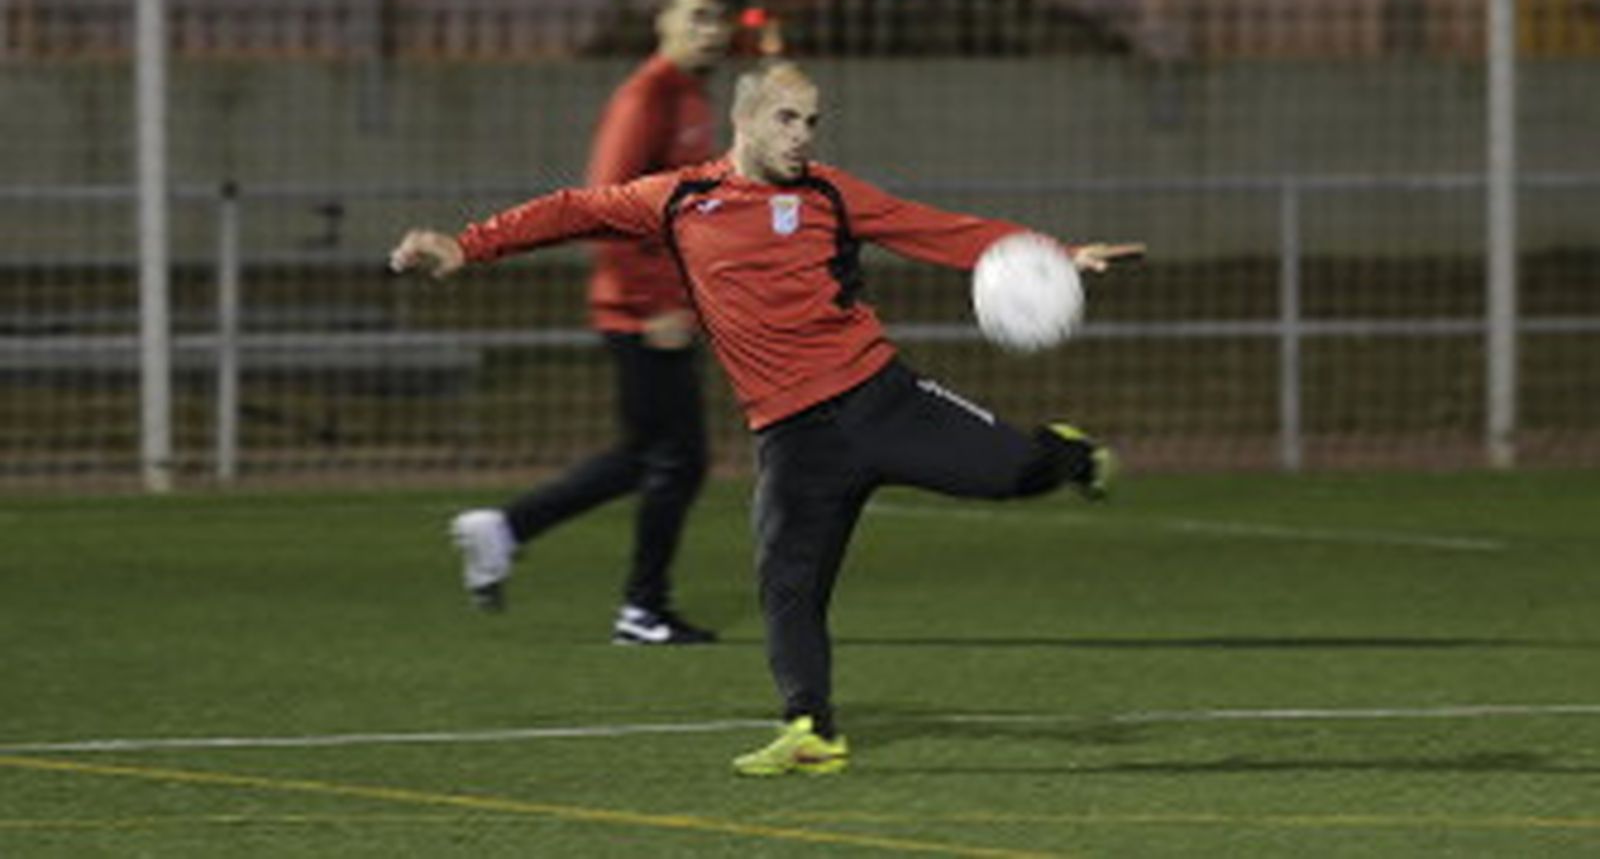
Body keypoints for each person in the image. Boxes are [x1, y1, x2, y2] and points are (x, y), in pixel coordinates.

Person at [390, 59, 1144, 775]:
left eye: (812, 120)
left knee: (1016, 474)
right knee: (788, 584)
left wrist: (1060, 253)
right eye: (786, 118)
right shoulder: (680, 199)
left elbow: (936, 229)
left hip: (881, 399)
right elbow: (572, 209)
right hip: (791, 435)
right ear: (744, 118)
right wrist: (467, 245)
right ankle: (811, 729)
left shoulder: (830, 195)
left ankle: (1071, 456)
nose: (801, 134)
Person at [446, 0, 750, 645]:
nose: (712, 31)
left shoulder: (692, 98)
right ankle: (641, 606)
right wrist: (653, 304)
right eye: (698, 15)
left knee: (650, 454)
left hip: (668, 308)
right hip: (642, 312)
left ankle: (507, 529)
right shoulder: (647, 97)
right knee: (677, 459)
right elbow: (602, 207)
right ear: (662, 20)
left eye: (721, 19)